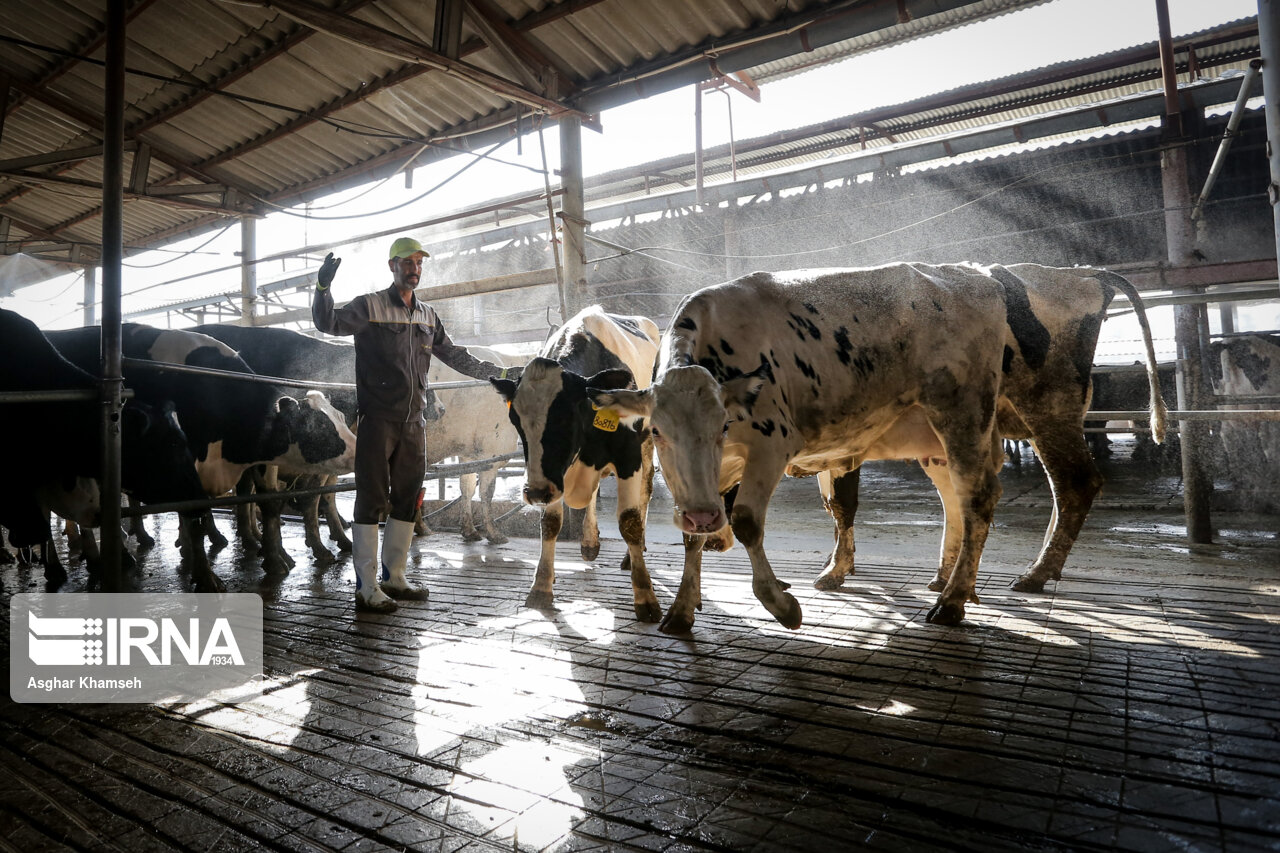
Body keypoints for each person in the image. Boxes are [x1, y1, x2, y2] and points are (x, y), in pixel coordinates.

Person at [313, 236, 518, 613]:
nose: (414, 269)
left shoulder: (427, 315)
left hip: (413, 422)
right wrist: (323, 288)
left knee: (407, 498)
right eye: (407, 262)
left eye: (419, 263)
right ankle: (366, 586)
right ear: (392, 266)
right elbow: (328, 322)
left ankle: (395, 577)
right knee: (372, 499)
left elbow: (455, 355)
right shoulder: (370, 306)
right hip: (377, 420)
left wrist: (499, 373)